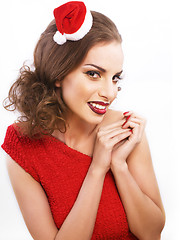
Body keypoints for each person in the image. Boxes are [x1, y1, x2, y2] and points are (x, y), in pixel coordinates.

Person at [1, 1, 165, 239]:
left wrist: (119, 166)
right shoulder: (22, 145)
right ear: (58, 73)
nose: (110, 93)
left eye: (115, 77)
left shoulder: (127, 131)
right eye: (93, 74)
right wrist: (98, 169)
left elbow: (152, 234)